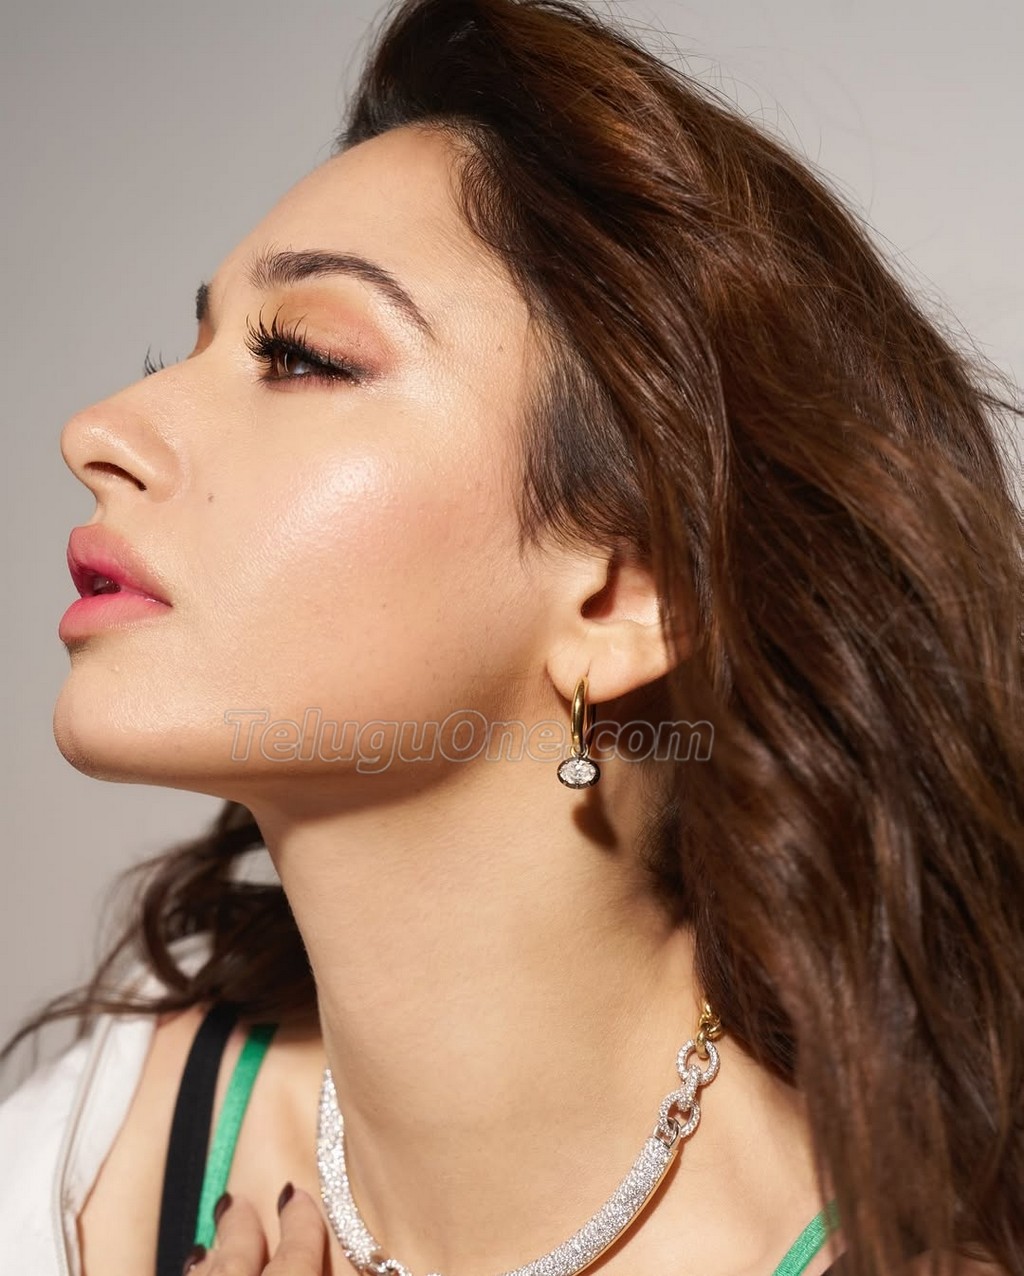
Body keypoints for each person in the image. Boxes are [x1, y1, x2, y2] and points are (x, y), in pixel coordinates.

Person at [1, 0, 1021, 1273]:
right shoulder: (71, 1173)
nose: (97, 429)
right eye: (187, 346)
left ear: (623, 595)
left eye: (303, 356)